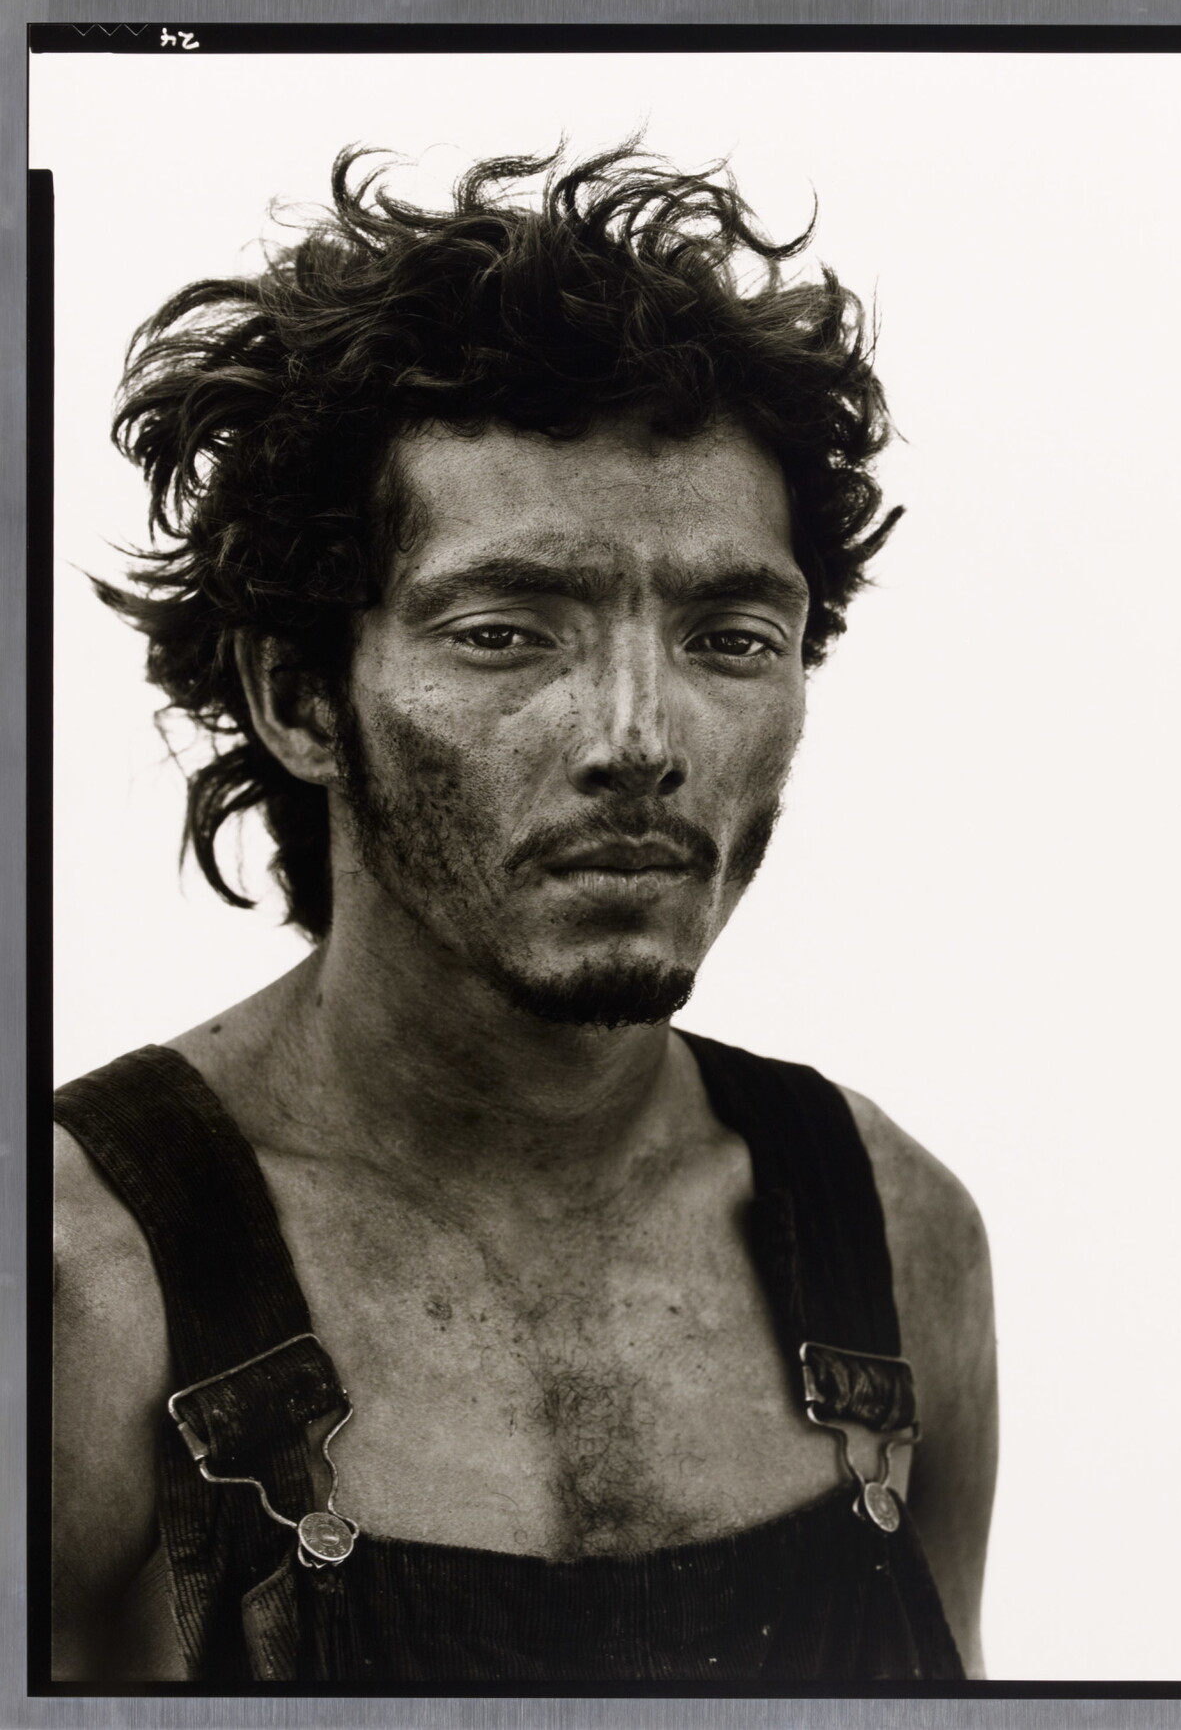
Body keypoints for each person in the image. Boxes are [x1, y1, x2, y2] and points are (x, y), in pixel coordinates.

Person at [51, 145, 997, 1687]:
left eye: (730, 635)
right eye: (507, 632)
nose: (642, 732)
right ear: (299, 696)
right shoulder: (83, 1275)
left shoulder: (895, 1239)